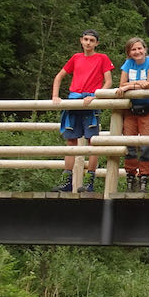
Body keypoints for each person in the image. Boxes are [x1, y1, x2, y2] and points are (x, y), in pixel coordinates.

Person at [50, 29, 114, 193]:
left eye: (92, 40)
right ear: (81, 40)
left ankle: (89, 182)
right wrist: (55, 96)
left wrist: (96, 96)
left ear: (96, 43)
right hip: (73, 100)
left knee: (93, 142)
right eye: (86, 39)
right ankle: (67, 182)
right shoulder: (76, 58)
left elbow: (108, 82)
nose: (88, 43)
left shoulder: (102, 58)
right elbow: (59, 76)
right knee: (71, 141)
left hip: (90, 102)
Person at [116, 36, 149, 193]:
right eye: (133, 49)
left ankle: (144, 176)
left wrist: (129, 87)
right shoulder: (128, 63)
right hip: (131, 109)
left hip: (148, 108)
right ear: (129, 52)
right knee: (129, 143)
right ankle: (130, 175)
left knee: (147, 144)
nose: (137, 51)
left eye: (140, 48)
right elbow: (121, 84)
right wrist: (135, 84)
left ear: (145, 49)